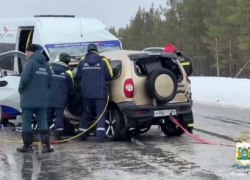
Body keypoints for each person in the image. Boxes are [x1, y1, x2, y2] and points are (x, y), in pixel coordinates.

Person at [17, 44, 54, 153]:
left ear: (31, 52)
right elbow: (50, 81)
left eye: (27, 52)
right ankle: (46, 146)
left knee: (26, 121)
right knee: (43, 121)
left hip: (28, 98)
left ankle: (27, 146)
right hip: (42, 99)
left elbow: (24, 79)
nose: (26, 54)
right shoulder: (46, 65)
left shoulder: (30, 63)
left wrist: (21, 89)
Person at [75, 43, 113, 142]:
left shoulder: (82, 61)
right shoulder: (104, 60)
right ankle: (100, 137)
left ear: (88, 51)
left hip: (86, 93)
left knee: (86, 114)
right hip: (100, 93)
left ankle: (82, 135)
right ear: (97, 50)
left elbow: (77, 76)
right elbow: (110, 76)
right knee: (100, 114)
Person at [47, 53, 74, 140]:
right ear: (68, 61)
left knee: (48, 116)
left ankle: (46, 133)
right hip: (61, 99)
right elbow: (71, 87)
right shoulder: (68, 72)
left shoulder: (49, 68)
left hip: (49, 97)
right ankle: (58, 136)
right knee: (59, 117)